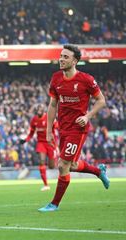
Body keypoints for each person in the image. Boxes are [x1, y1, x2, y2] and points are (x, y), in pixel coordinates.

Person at [38, 45, 109, 212]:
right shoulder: (56, 78)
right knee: (72, 165)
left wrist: (87, 116)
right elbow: (52, 105)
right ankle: (98, 171)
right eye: (61, 56)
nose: (61, 59)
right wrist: (49, 130)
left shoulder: (86, 79)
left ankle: (54, 204)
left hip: (78, 129)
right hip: (63, 128)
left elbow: (101, 101)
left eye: (65, 57)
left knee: (63, 165)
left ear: (75, 61)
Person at [20, 104, 58, 191]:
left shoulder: (49, 117)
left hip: (50, 143)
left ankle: (53, 163)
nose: (39, 111)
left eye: (40, 109)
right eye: (37, 110)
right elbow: (31, 132)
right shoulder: (34, 120)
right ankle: (46, 185)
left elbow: (57, 126)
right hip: (41, 143)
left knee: (52, 166)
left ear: (44, 110)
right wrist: (25, 140)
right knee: (41, 161)